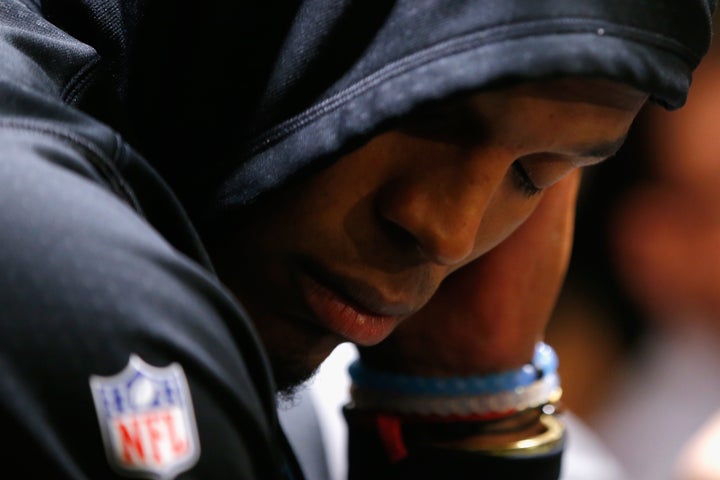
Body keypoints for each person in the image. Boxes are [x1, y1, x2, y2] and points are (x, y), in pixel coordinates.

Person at [0, 1, 714, 479]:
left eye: (533, 175)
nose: (448, 231)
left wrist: (468, 393)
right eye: (426, 108)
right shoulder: (83, 282)